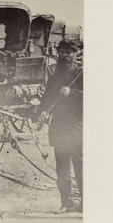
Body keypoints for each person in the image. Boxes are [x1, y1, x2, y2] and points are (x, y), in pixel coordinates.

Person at [37, 40, 83, 213]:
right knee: (62, 166)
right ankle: (67, 202)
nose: (65, 56)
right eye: (62, 52)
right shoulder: (55, 75)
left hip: (77, 126)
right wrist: (43, 111)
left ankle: (86, 202)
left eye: (69, 52)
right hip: (59, 127)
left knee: (80, 165)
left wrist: (72, 93)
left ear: (76, 53)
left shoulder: (82, 73)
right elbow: (47, 98)